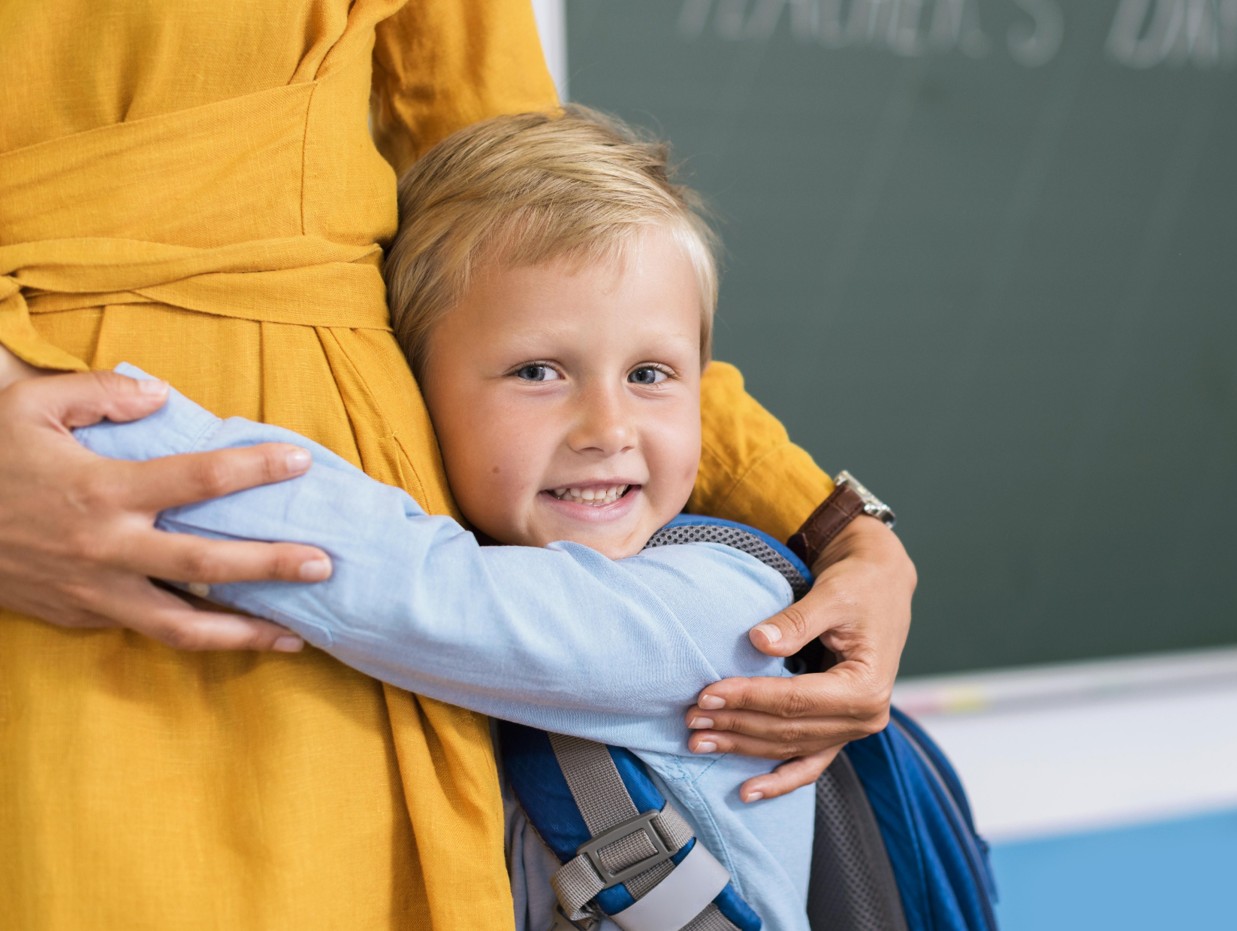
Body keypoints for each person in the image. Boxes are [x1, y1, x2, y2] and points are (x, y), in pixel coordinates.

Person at [0, 3, 913, 927]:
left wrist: (87, 426)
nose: (607, 427)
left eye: (649, 375)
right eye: (537, 373)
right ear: (417, 379)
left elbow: (415, 585)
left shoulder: (717, 616)